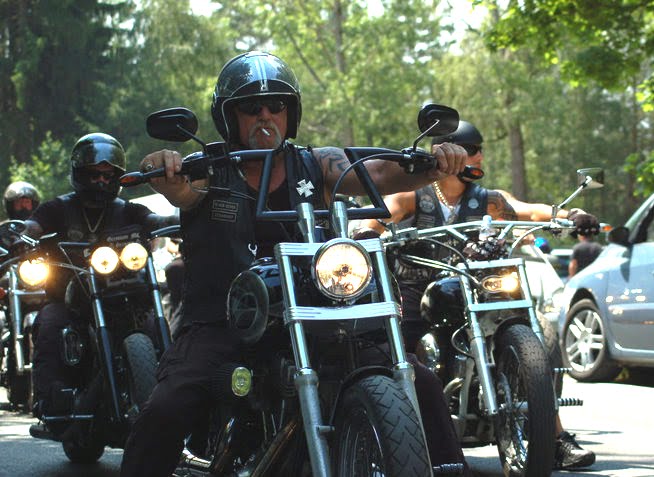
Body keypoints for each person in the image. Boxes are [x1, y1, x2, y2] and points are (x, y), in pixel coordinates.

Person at [120, 50, 470, 477]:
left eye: (276, 105)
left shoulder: (316, 164)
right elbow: (176, 186)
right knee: (168, 404)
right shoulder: (207, 170)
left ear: (291, 113)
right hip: (224, 323)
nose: (265, 115)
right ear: (229, 116)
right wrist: (161, 164)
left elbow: (377, 173)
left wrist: (436, 166)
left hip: (316, 314)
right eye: (251, 107)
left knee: (418, 379)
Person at [360, 120, 597, 471]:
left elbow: (529, 210)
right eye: (472, 149)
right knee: (394, 352)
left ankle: (555, 439)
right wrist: (366, 230)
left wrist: (571, 215)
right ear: (445, 153)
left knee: (526, 341)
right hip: (417, 291)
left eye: (479, 149)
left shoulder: (487, 200)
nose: (480, 156)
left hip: (472, 288)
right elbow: (380, 214)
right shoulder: (414, 194)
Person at [21, 132, 178, 418]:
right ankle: (50, 401)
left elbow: (153, 220)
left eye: (108, 175)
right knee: (50, 322)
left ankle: (175, 395)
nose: (101, 181)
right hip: (73, 302)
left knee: (156, 327)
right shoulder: (58, 208)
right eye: (94, 174)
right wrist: (20, 234)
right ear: (80, 174)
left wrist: (179, 220)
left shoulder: (129, 211)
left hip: (126, 297)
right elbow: (33, 225)